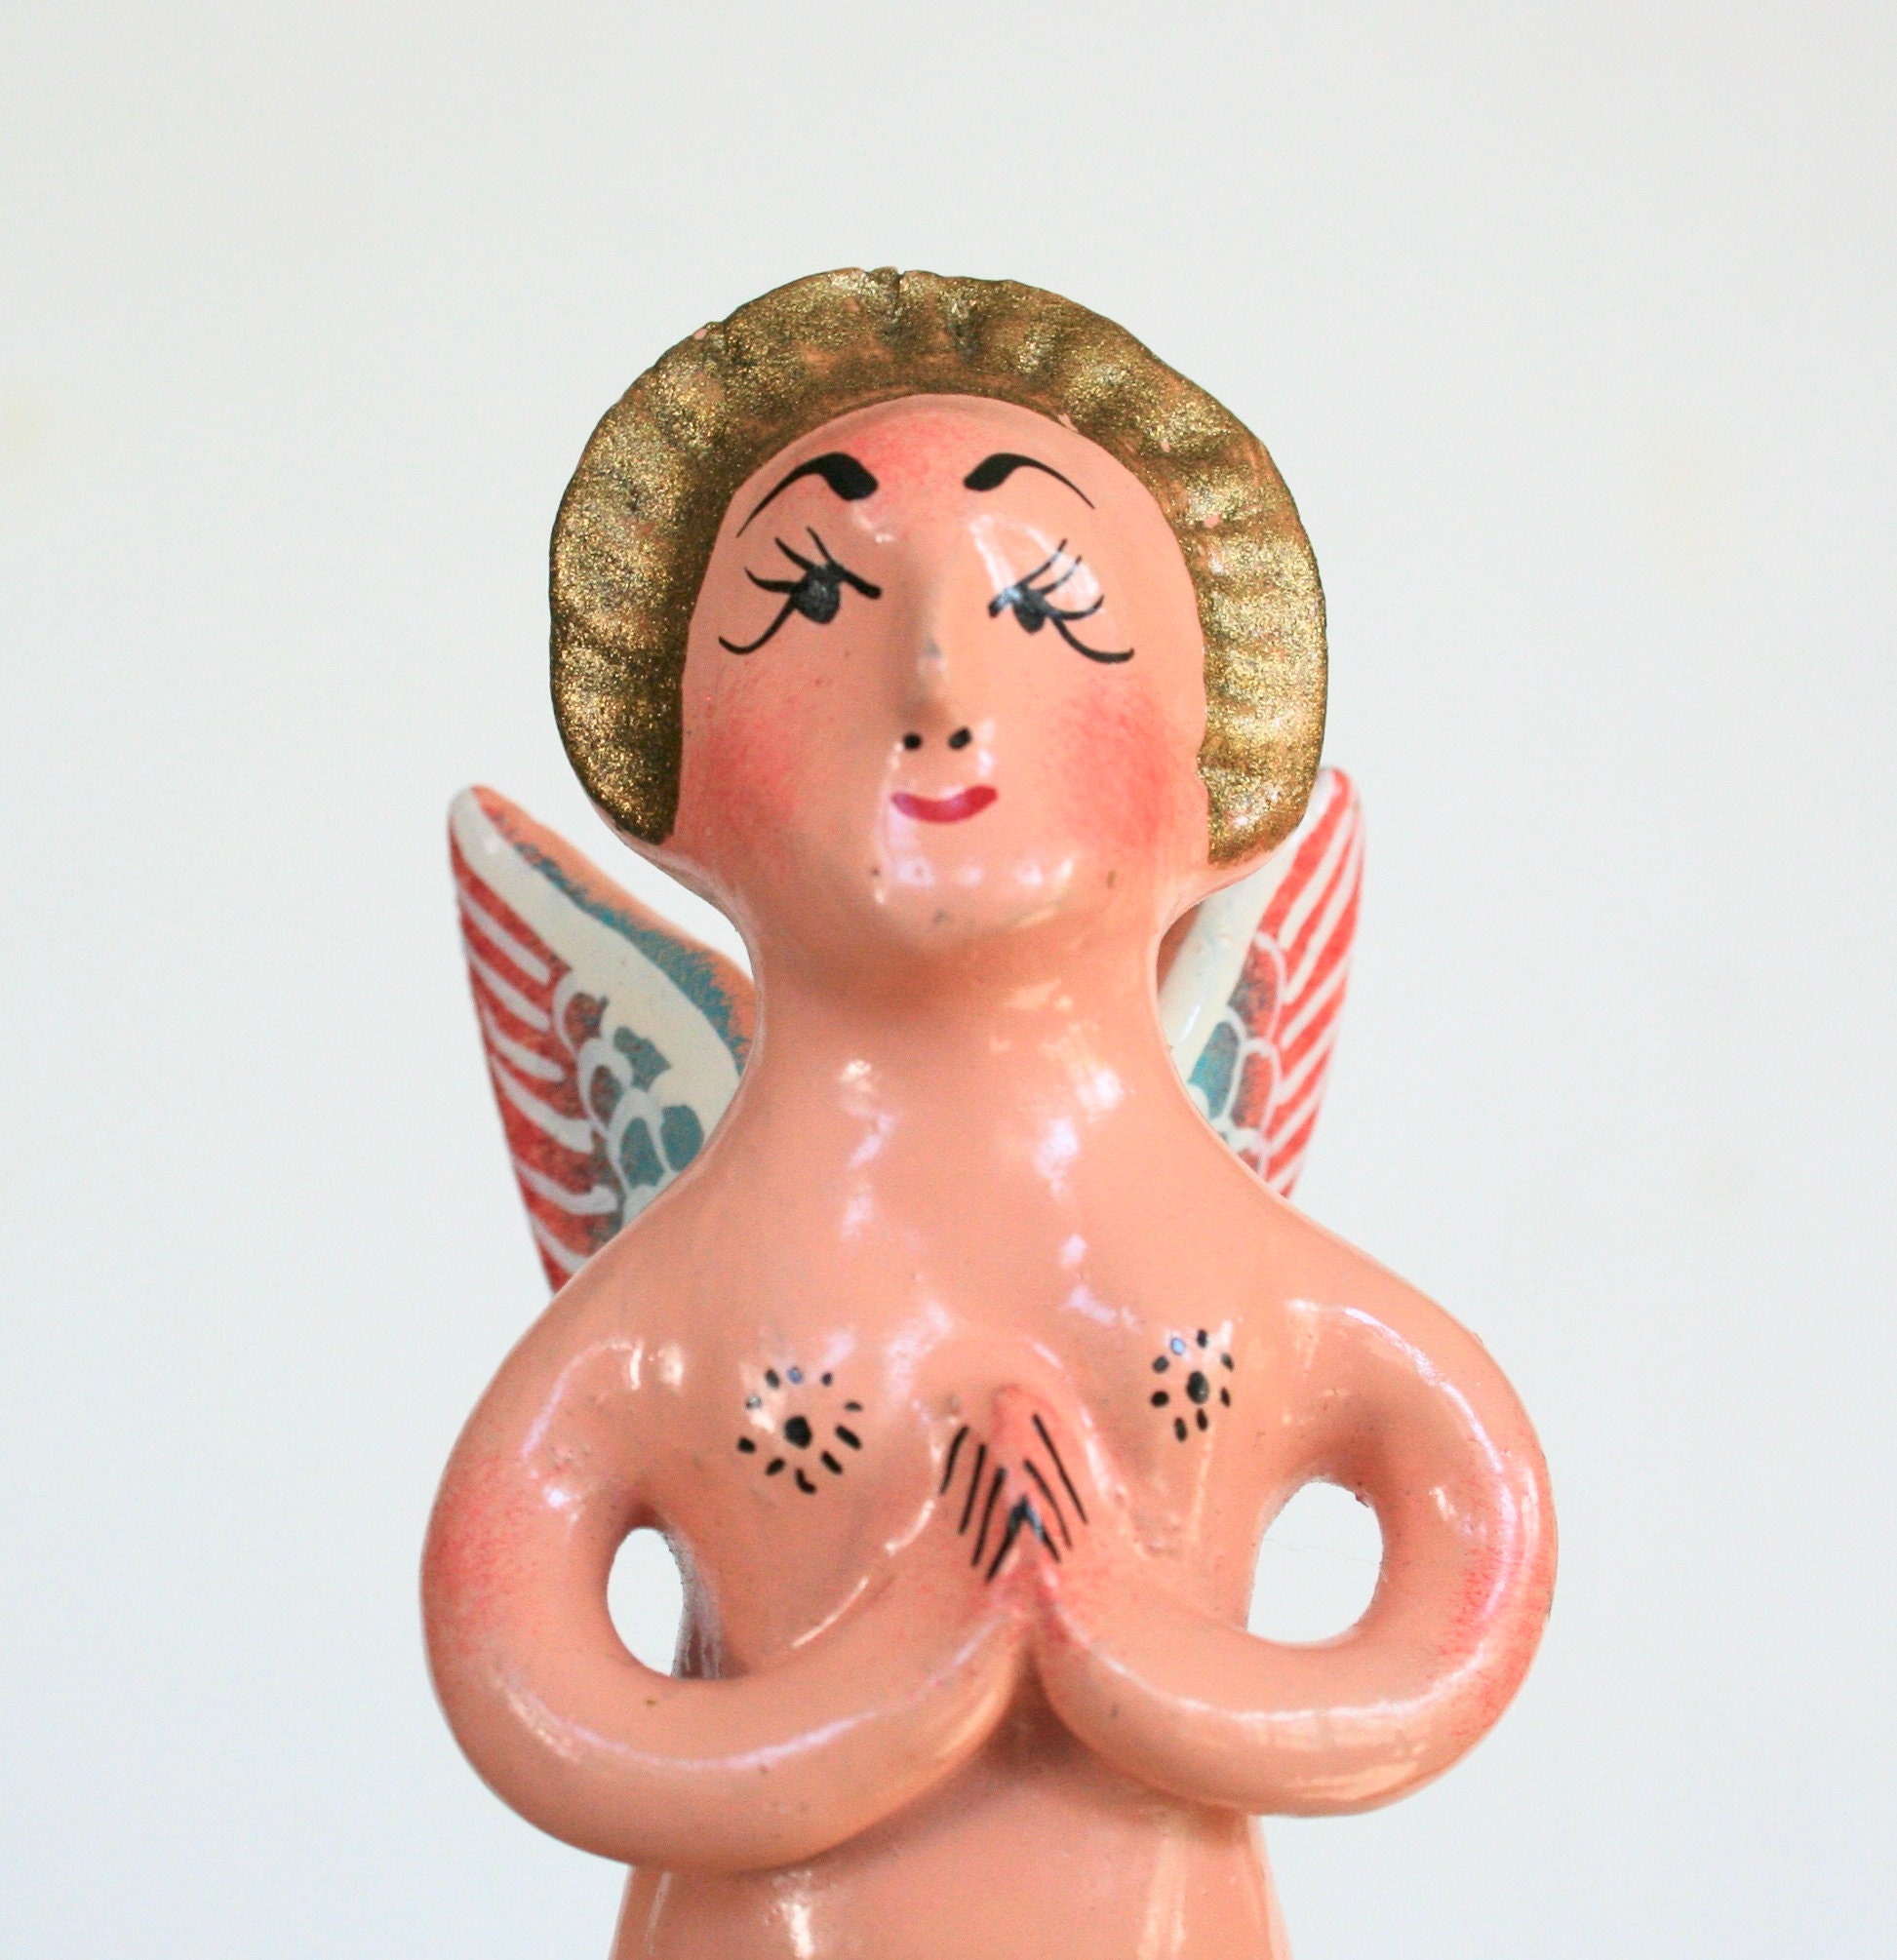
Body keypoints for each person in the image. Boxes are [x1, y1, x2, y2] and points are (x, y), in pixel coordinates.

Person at [423, 268, 1554, 1959]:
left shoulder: (1247, 1274)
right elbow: (523, 1679)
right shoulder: (675, 1310)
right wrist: (897, 1689)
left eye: (1048, 605)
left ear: (1216, 760)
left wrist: (1123, 1652)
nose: (936, 676)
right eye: (809, 598)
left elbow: (1468, 1590)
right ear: (670, 760)